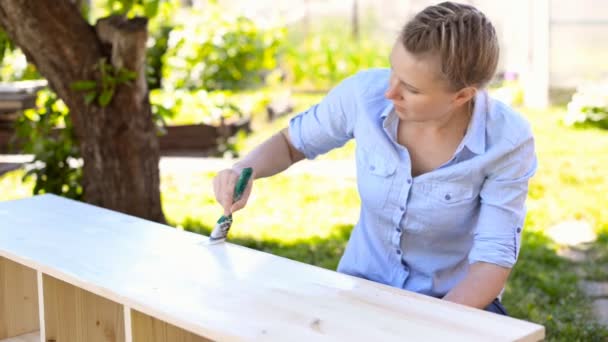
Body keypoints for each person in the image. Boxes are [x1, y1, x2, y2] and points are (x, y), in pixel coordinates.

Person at [212, 1, 537, 316]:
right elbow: (291, 144)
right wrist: (243, 169)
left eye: (410, 88)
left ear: (462, 95)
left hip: (455, 301)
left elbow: (491, 264)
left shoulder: (506, 140)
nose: (389, 92)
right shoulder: (362, 94)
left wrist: (434, 327)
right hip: (362, 290)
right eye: (393, 71)